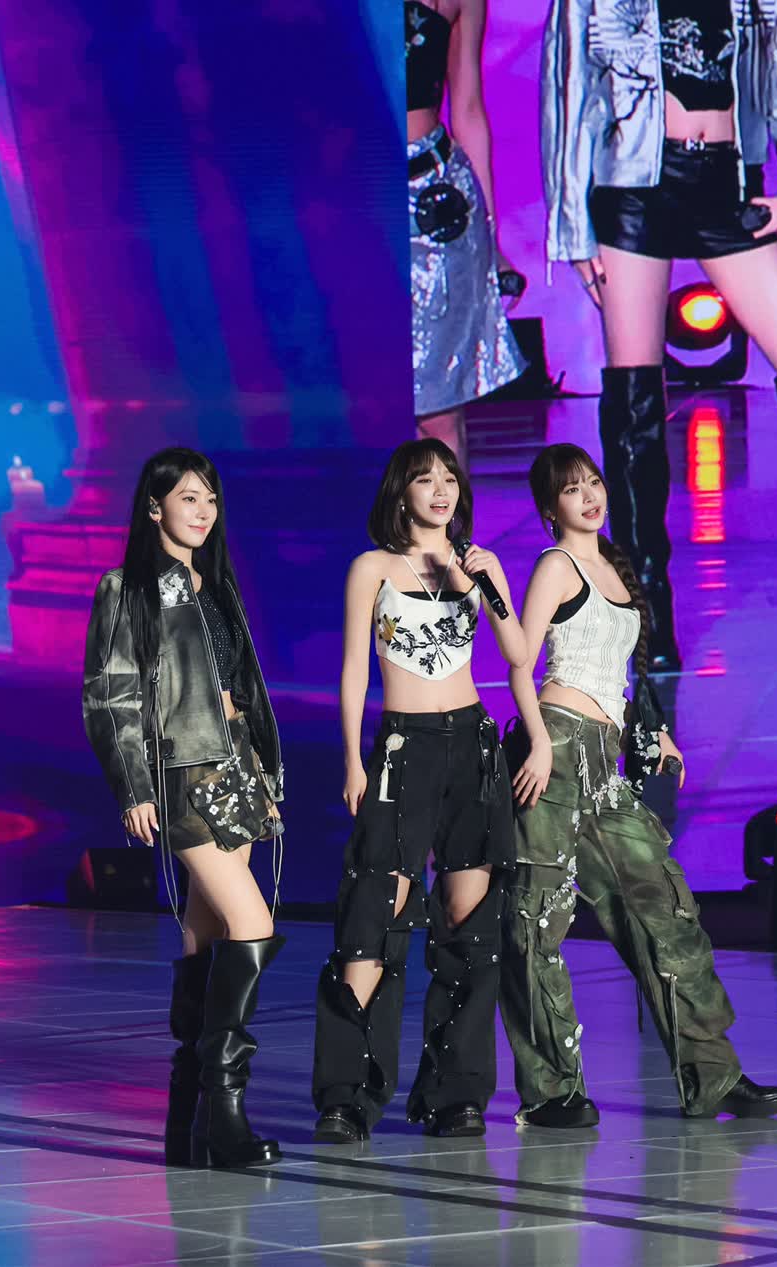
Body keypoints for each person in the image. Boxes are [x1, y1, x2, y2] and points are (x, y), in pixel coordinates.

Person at [541, 0, 777, 667]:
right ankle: (646, 621)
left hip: (725, 187)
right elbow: (570, 84)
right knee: (636, 412)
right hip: (634, 188)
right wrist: (572, 227)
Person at [500, 443, 777, 1127]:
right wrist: (536, 741)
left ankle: (712, 1078)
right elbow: (519, 661)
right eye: (572, 489)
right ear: (549, 508)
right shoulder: (555, 565)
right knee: (537, 922)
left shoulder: (614, 565)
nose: (589, 496)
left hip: (606, 759)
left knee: (665, 911)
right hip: (555, 751)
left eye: (593, 482)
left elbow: (620, 675)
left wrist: (652, 731)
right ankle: (553, 1091)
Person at [310, 439, 526, 1143]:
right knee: (374, 914)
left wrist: (489, 585)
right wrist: (353, 758)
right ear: (400, 491)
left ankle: (456, 1094)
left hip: (471, 744)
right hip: (403, 746)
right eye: (425, 478)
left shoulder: (476, 565)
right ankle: (347, 1096)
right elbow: (353, 669)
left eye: (450, 478)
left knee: (470, 923)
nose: (441, 490)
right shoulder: (372, 567)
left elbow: (519, 654)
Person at [82, 448, 286, 1169]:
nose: (202, 511)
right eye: (188, 498)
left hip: (239, 767)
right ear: (153, 506)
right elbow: (111, 694)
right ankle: (225, 1112)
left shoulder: (216, 584)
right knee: (252, 923)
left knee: (206, 936)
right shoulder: (127, 588)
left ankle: (189, 1120)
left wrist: (263, 764)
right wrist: (134, 786)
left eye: (210, 499)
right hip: (184, 773)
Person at [409, 0, 526, 458]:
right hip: (346, 198)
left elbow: (469, 108)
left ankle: (446, 509)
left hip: (435, 201)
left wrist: (492, 240)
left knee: (438, 407)